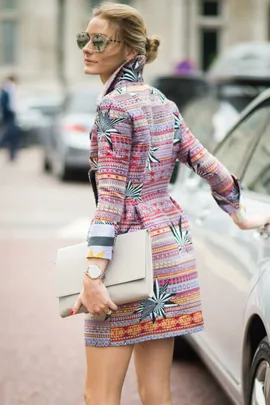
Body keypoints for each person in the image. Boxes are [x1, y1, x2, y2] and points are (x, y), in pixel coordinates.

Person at [71, 3, 270, 404]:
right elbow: (208, 163)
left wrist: (93, 275)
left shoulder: (112, 108)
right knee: (157, 392)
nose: (87, 48)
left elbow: (111, 202)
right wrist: (240, 215)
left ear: (130, 52)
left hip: (125, 258)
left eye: (98, 40)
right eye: (84, 38)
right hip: (171, 253)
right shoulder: (162, 102)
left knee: (100, 395)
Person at [0, 75, 21, 161]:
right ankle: (12, 154)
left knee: (12, 136)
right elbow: (12, 105)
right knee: (9, 135)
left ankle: (12, 155)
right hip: (9, 115)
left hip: (9, 116)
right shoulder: (10, 90)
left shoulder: (6, 90)